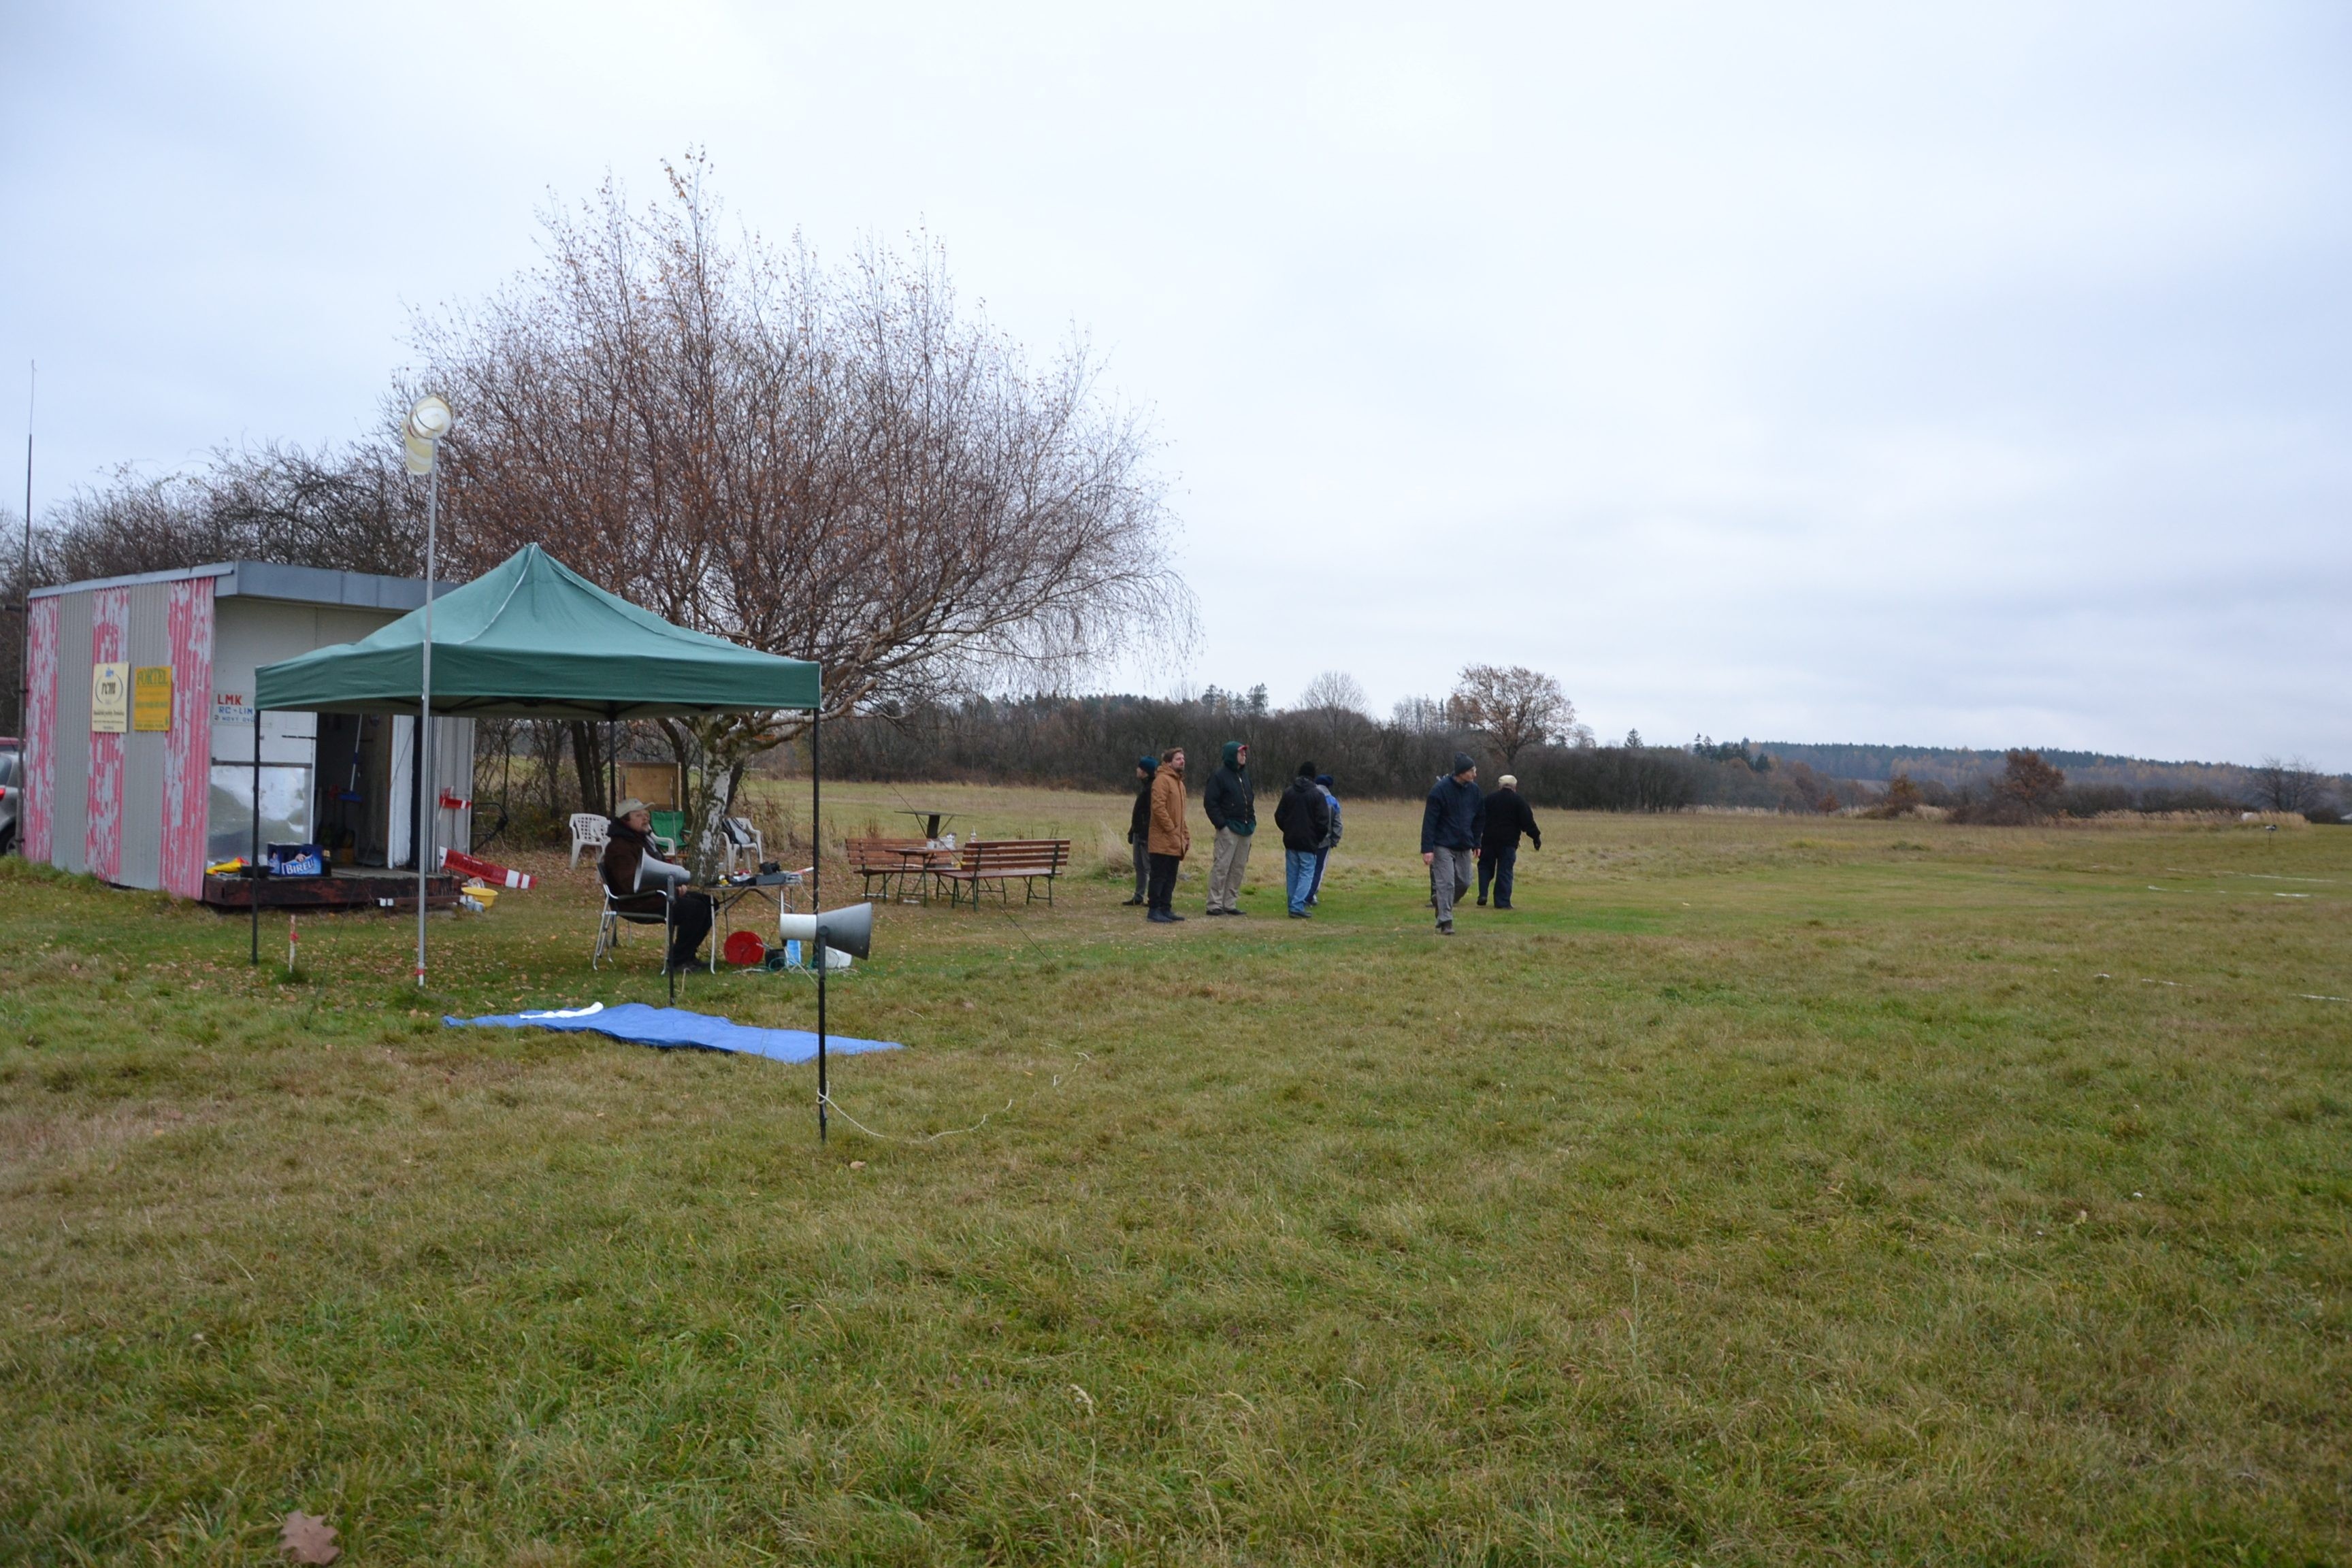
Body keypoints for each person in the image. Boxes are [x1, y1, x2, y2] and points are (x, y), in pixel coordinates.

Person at [600, 797, 713, 972]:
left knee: (709, 902)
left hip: (654, 896)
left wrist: (677, 882)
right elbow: (630, 884)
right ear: (625, 821)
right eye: (639, 815)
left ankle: (688, 955)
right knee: (695, 909)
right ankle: (678, 961)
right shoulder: (619, 848)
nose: (646, 818)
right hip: (637, 902)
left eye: (646, 814)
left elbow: (659, 871)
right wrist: (667, 887)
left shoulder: (642, 840)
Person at [1420, 752, 1485, 936]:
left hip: (1464, 844)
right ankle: (1446, 922)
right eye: (1472, 771)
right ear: (1462, 772)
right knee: (1446, 883)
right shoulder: (1439, 791)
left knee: (1464, 882)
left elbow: (1480, 817)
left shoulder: (1475, 791)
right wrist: (1427, 849)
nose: (1475, 774)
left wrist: (1477, 842)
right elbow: (1429, 821)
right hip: (1442, 844)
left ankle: (1440, 901)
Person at [1273, 759, 1333, 919]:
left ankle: (1292, 904)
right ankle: (1297, 905)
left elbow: (1279, 816)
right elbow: (1323, 822)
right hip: (1309, 842)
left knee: (1292, 874)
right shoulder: (1317, 795)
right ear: (1313, 776)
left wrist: (1288, 830)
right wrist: (1316, 838)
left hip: (1291, 840)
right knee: (1307, 874)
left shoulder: (1289, 792)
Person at [1202, 739, 1256, 916]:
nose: (1244, 755)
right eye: (1241, 752)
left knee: (1238, 868)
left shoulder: (1245, 776)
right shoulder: (1219, 776)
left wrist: (1252, 820)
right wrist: (1222, 825)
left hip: (1246, 829)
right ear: (1232, 755)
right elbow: (1210, 803)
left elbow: (1250, 800)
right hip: (1228, 829)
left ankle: (1229, 903)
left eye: (1244, 752)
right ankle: (1214, 904)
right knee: (1221, 867)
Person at [1477, 772, 1541, 909]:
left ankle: (1483, 894)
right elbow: (1528, 823)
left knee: (1485, 866)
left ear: (1499, 786)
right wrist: (1536, 837)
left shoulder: (1488, 799)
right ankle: (1502, 902)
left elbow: (1478, 818)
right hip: (1508, 842)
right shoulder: (1519, 801)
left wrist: (1476, 836)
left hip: (1488, 840)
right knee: (1505, 870)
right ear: (1514, 787)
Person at [1146, 747, 1191, 923]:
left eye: (1183, 758)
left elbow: (1180, 814)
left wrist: (1185, 833)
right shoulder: (1162, 781)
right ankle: (1154, 909)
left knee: (1171, 876)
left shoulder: (1180, 784)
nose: (1182, 761)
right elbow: (1158, 808)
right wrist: (1171, 829)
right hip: (1162, 839)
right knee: (1159, 876)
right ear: (1168, 762)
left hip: (1175, 840)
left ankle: (1166, 908)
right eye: (1178, 759)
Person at [1123, 755, 1158, 906]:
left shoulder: (1152, 789)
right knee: (1139, 864)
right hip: (1138, 831)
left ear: (1145, 771)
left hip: (1145, 834)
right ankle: (1139, 895)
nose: (1137, 770)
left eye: (1140, 768)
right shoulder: (1145, 786)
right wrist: (1133, 831)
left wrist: (1144, 833)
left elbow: (1149, 814)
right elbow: (1139, 812)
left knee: (1148, 865)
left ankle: (1153, 897)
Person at [1307, 772, 1341, 906]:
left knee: (1307, 869)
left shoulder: (1309, 797)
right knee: (1319, 870)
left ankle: (1303, 893)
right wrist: (1335, 840)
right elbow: (1338, 824)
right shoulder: (1333, 801)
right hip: (1325, 842)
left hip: (1308, 840)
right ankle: (1311, 895)